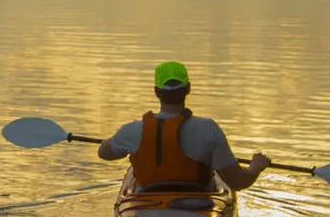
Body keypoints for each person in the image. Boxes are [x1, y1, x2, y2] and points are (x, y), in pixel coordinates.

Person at [96, 60, 270, 193]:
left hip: (145, 210)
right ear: (188, 89)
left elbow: (104, 153)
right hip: (198, 208)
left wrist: (115, 140)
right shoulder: (208, 129)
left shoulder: (132, 131)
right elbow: (237, 182)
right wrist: (256, 167)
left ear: (156, 91)